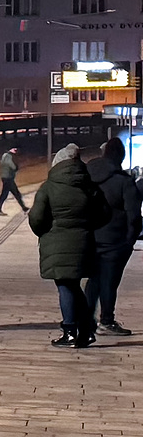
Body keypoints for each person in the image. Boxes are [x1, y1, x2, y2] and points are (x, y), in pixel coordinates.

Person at [30, 143, 110, 348]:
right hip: (83, 241)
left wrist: (46, 232)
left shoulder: (48, 187)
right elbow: (104, 214)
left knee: (66, 285)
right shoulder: (89, 186)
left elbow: (37, 218)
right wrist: (86, 227)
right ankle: (86, 330)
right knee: (73, 286)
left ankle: (70, 331)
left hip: (56, 243)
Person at [86, 137, 142, 335]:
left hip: (90, 238)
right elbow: (134, 216)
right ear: (120, 156)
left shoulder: (88, 176)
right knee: (110, 281)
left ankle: (85, 319)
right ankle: (107, 321)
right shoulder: (123, 182)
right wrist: (130, 239)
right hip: (115, 240)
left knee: (94, 280)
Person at [0, 147, 28, 214]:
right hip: (8, 178)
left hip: (7, 178)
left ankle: (24, 208)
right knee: (9, 194)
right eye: (14, 149)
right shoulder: (8, 156)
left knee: (14, 193)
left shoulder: (6, 155)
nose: (16, 151)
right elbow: (11, 165)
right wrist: (15, 167)